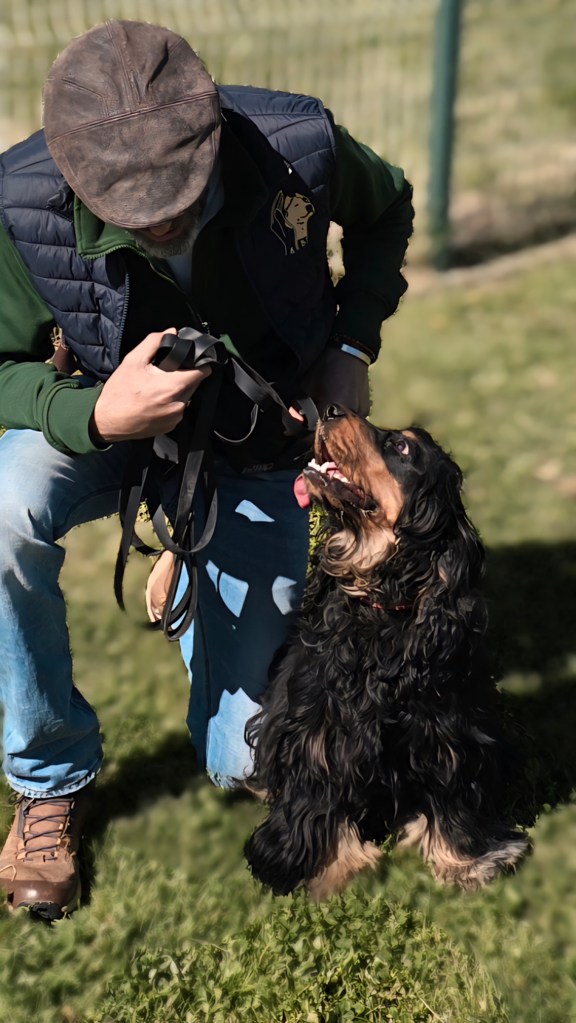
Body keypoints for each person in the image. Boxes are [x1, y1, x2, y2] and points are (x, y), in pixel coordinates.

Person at [0, 19, 414, 918]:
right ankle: (46, 777)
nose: (165, 216)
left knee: (243, 758)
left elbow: (389, 210)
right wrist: (91, 412)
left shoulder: (297, 143)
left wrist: (350, 341)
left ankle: (188, 554)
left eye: (182, 188)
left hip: (253, 445)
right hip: (108, 431)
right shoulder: (19, 205)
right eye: (133, 204)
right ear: (74, 175)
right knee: (4, 507)